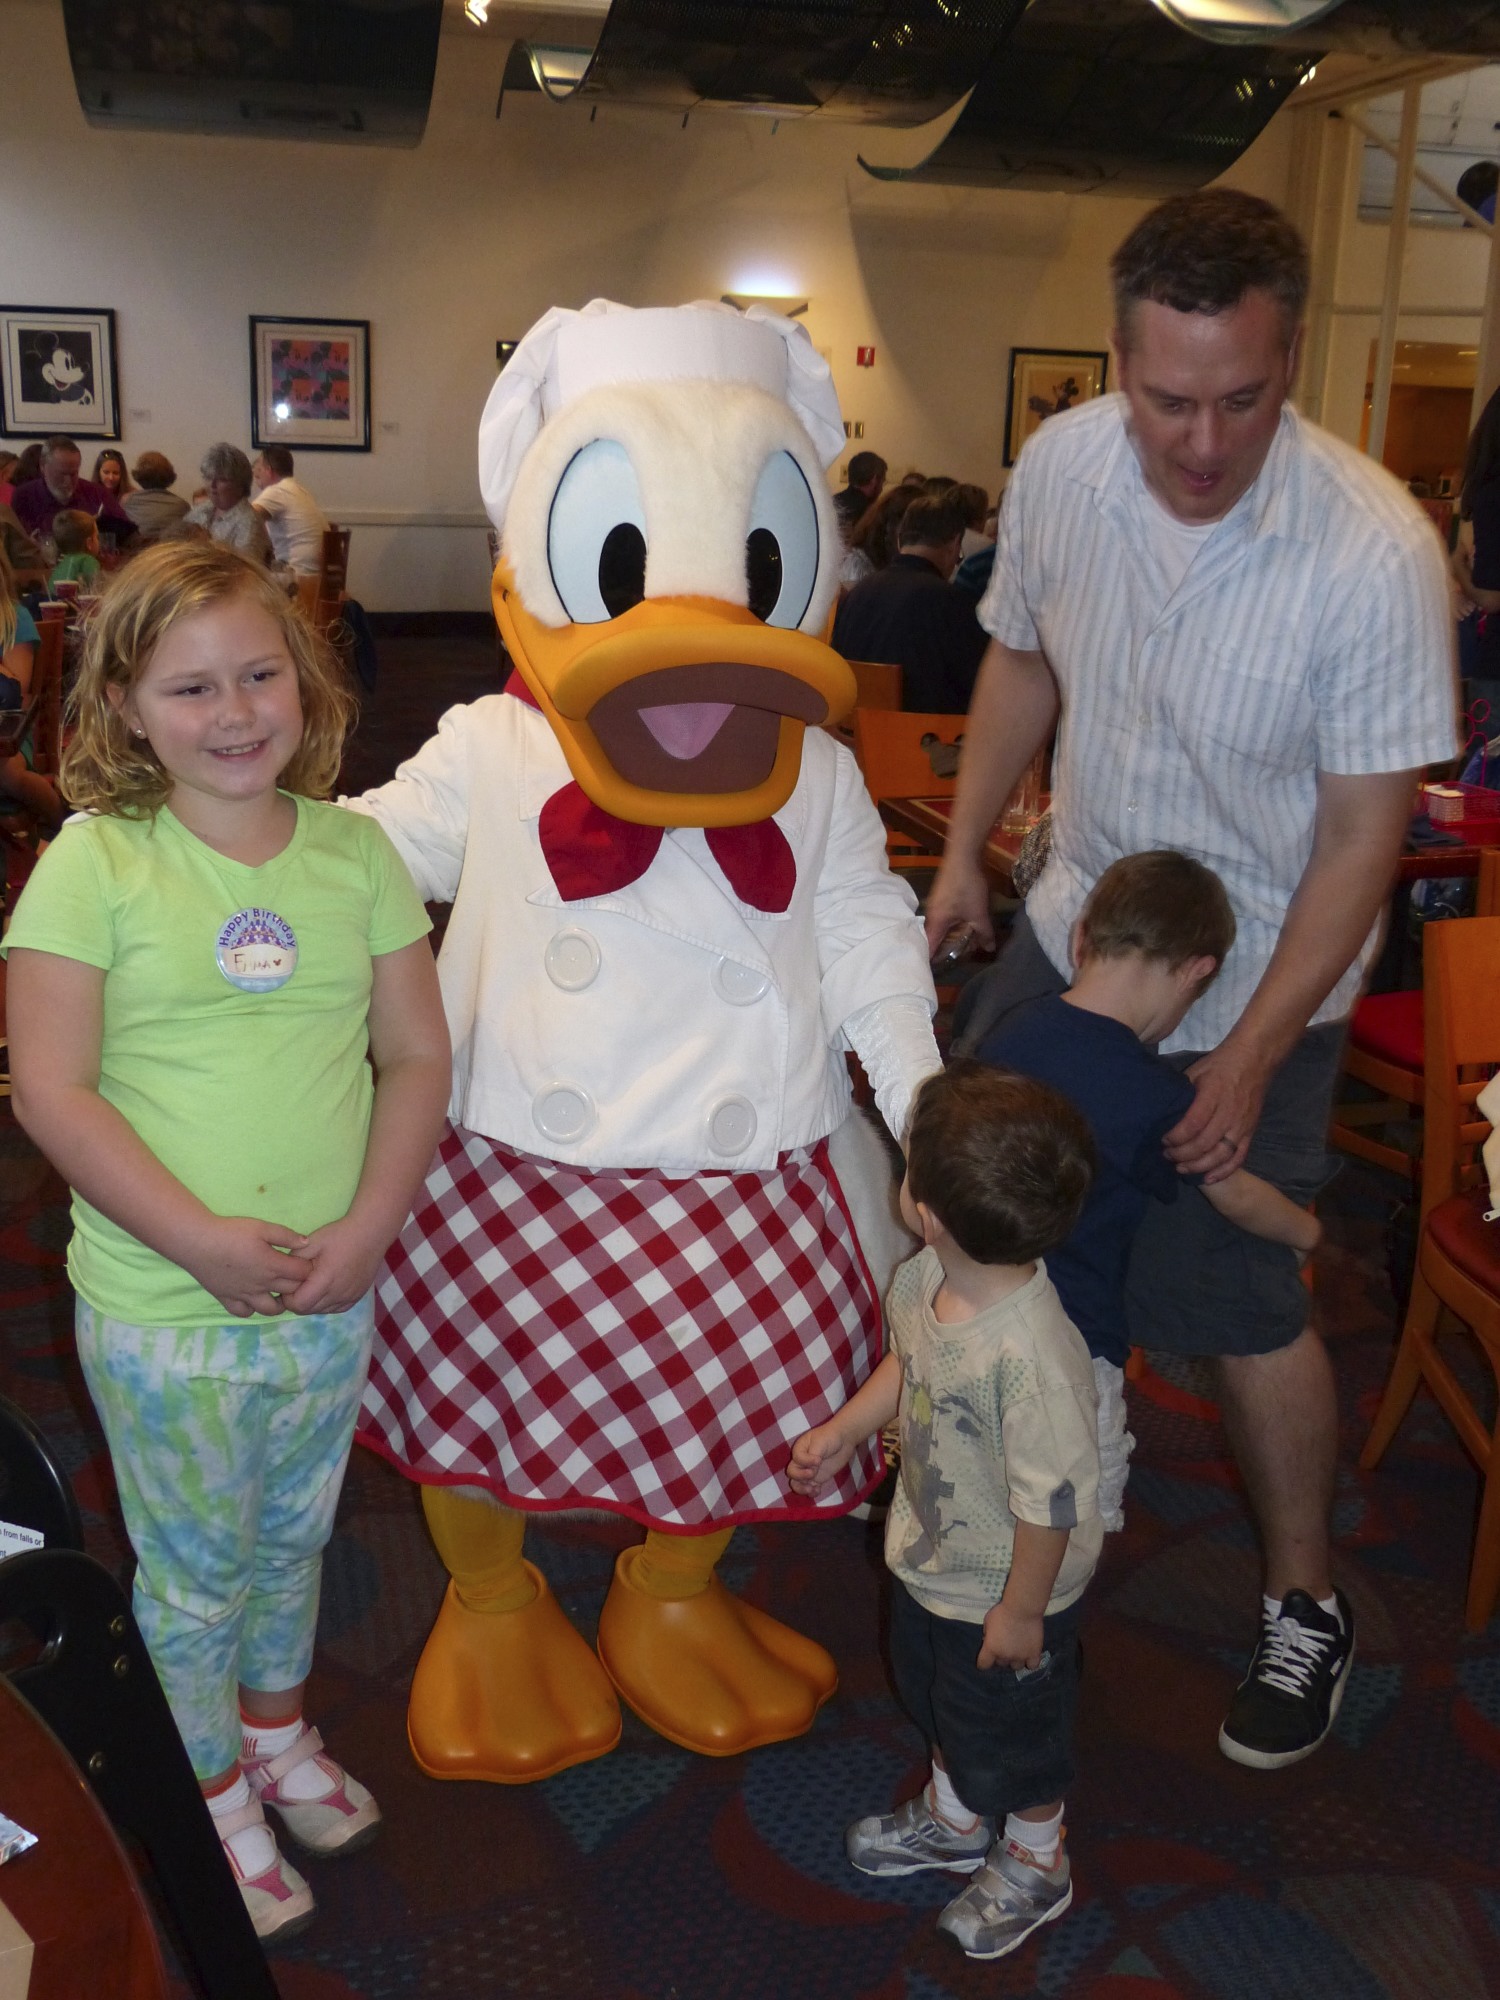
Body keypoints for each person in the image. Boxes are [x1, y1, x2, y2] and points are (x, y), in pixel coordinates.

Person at [924, 187, 1458, 1771]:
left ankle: (1305, 1601)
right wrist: (964, 853)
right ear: (1117, 359)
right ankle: (987, 1488)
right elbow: (1023, 656)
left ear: (1293, 360)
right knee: (973, 1210)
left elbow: (1363, 841)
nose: (1204, 443)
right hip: (1079, 924)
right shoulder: (1064, 469)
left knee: (1237, 1304)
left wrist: (1251, 1049)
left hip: (1266, 977)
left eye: (1244, 400)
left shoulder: (1374, 550)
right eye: (1169, 400)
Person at [3, 540, 451, 1942]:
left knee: (295, 1537)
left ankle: (274, 1730)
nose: (235, 710)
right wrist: (198, 1240)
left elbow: (416, 1055)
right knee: (195, 1575)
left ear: (305, 680)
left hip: (328, 1289)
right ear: (126, 708)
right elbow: (53, 1090)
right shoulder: (95, 864)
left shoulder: (354, 853)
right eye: (190, 687)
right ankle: (203, 1788)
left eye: (259, 674)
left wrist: (371, 1225)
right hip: (166, 1307)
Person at [789, 1061, 1099, 1963]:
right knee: (940, 1695)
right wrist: (849, 1429)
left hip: (1013, 1588)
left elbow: (1052, 1505)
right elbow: (911, 1362)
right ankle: (958, 1820)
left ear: (922, 1205)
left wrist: (1023, 1611)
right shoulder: (929, 1276)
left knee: (1017, 1737)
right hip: (936, 1557)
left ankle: (1038, 1858)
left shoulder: (1031, 1360)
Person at [974, 851, 1322, 1531]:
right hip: (1073, 1336)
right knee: (1071, 1511)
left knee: (975, 1483)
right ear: (1197, 971)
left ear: (1081, 937)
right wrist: (1307, 1231)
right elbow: (1236, 1195)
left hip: (975, 1309)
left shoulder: (1009, 1029)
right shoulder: (1155, 1094)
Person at [832, 491, 988, 712]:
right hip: (919, 730)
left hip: (852, 725)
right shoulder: (952, 603)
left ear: (899, 539)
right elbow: (978, 685)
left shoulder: (858, 592)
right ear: (954, 545)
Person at [0, 544, 65, 828]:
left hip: (9, 732)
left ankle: (60, 823)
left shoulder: (14, 618)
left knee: (7, 774)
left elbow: (16, 690)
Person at [10, 434, 136, 547]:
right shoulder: (24, 496)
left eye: (73, 474)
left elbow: (132, 537)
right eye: (62, 474)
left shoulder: (97, 494)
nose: (68, 481)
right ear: (43, 466)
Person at [185, 444, 273, 566]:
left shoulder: (249, 523)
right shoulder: (200, 510)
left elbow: (245, 570)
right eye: (209, 478)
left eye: (222, 480)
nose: (212, 485)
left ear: (240, 485)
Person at [252, 446, 330, 579]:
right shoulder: (301, 491)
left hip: (297, 575)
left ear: (268, 471)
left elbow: (245, 518)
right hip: (318, 575)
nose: (257, 483)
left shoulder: (277, 491)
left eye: (258, 474)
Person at [123, 451, 191, 542]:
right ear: (169, 475)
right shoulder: (182, 505)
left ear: (139, 475)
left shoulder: (127, 501)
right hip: (170, 549)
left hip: (137, 549)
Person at [834, 449, 887, 536]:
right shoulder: (872, 514)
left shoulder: (832, 502)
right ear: (874, 480)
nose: (881, 488)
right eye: (883, 481)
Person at [49, 508, 101, 588]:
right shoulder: (88, 561)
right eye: (97, 537)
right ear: (89, 542)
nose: (99, 541)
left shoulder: (60, 565)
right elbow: (98, 588)